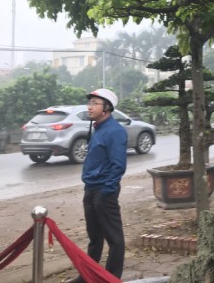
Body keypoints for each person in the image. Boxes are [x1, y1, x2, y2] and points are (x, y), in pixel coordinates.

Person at [66, 88, 127, 283]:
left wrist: (106, 192)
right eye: (89, 103)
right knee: (94, 238)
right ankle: (87, 275)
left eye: (94, 103)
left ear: (107, 108)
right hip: (91, 189)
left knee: (114, 239)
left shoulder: (115, 131)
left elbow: (118, 166)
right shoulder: (97, 128)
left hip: (104, 192)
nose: (89, 107)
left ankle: (110, 277)